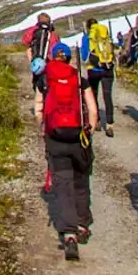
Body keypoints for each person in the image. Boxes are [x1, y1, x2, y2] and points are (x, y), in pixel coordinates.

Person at [37, 42, 99, 261]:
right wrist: (89, 130)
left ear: (53, 57)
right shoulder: (78, 79)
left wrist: (45, 129)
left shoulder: (46, 80)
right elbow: (92, 109)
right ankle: (82, 224)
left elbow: (40, 110)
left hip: (56, 138)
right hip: (78, 137)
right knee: (81, 181)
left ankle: (69, 234)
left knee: (62, 184)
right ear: (69, 58)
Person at [80, 15, 117, 136]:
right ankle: (110, 124)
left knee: (94, 94)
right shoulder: (104, 35)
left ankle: (98, 121)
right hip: (107, 68)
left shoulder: (87, 37)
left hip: (94, 70)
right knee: (107, 96)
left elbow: (84, 56)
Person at [22, 12, 58, 115]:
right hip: (49, 64)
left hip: (37, 64)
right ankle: (50, 112)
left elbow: (25, 41)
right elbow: (56, 48)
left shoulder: (33, 31)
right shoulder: (53, 34)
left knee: (38, 90)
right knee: (50, 89)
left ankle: (39, 118)